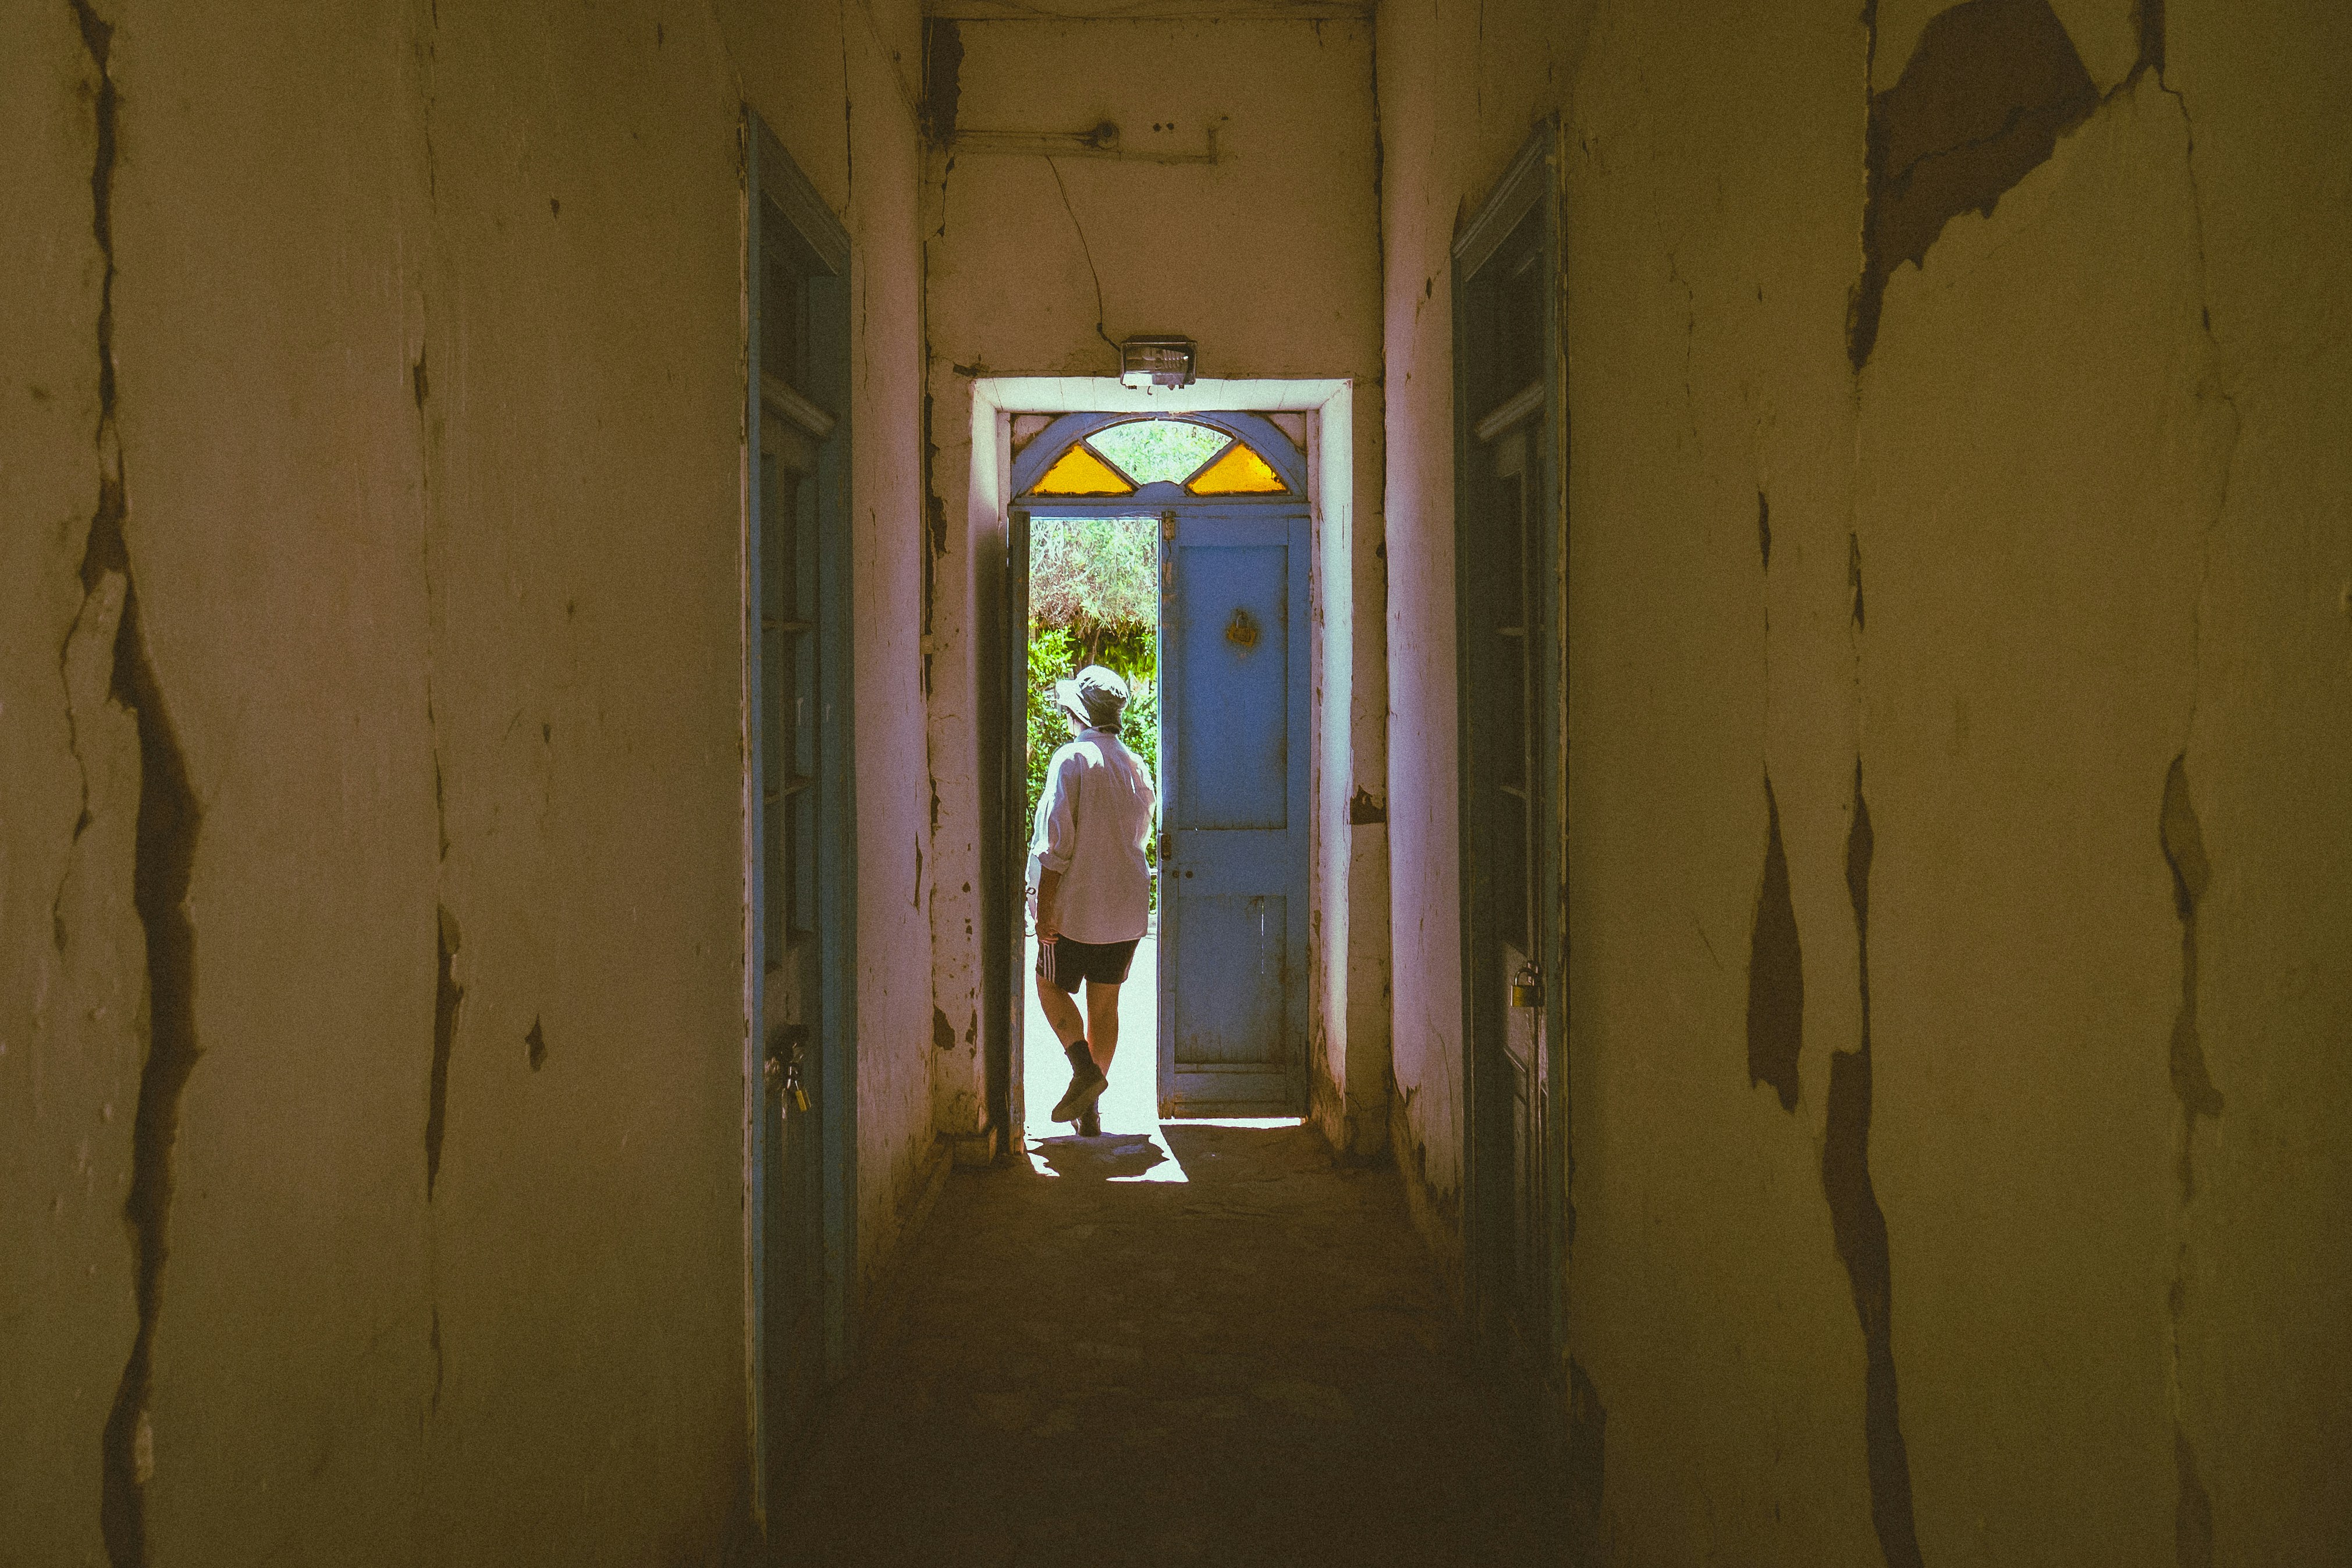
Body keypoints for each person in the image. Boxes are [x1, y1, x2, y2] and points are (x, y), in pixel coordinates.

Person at [1028, 663, 1156, 1138]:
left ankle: (1083, 1072)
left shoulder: (1071, 761)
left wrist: (1043, 912)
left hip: (1076, 909)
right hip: (1124, 910)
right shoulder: (1134, 764)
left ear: (1076, 714)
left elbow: (1054, 846)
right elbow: (1138, 835)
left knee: (1047, 984)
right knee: (1106, 1006)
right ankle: (1091, 1110)